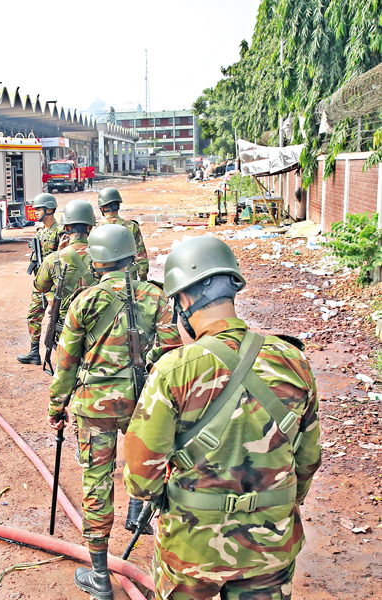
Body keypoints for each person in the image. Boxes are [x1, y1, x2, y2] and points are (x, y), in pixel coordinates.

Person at [123, 236, 321, 600]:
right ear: (231, 289)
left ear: (183, 299)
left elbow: (140, 476)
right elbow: (308, 459)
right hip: (271, 545)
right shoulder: (294, 360)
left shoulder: (174, 369)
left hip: (192, 547)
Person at [47, 224, 181, 600]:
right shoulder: (157, 298)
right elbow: (170, 352)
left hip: (93, 407)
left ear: (96, 259)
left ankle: (101, 576)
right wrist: (144, 364)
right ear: (130, 257)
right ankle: (140, 518)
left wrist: (57, 407)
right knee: (149, 469)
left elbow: (66, 364)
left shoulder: (85, 301)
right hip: (143, 402)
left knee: (96, 484)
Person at [33, 199, 98, 330]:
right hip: (96, 324)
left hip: (66, 326)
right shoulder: (103, 257)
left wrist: (58, 253)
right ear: (90, 227)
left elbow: (40, 286)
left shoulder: (53, 259)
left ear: (66, 228)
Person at [17, 193, 63, 365]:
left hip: (55, 286)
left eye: (39, 209)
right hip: (40, 284)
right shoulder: (40, 232)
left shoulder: (60, 232)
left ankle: (62, 356)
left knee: (58, 319)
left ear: (49, 209)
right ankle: (34, 353)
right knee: (33, 316)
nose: (35, 212)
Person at [95, 188, 149, 281]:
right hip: (129, 277)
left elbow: (93, 258)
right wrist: (143, 279)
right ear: (118, 206)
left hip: (106, 279)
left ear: (102, 208)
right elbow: (141, 257)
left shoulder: (97, 229)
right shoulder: (132, 226)